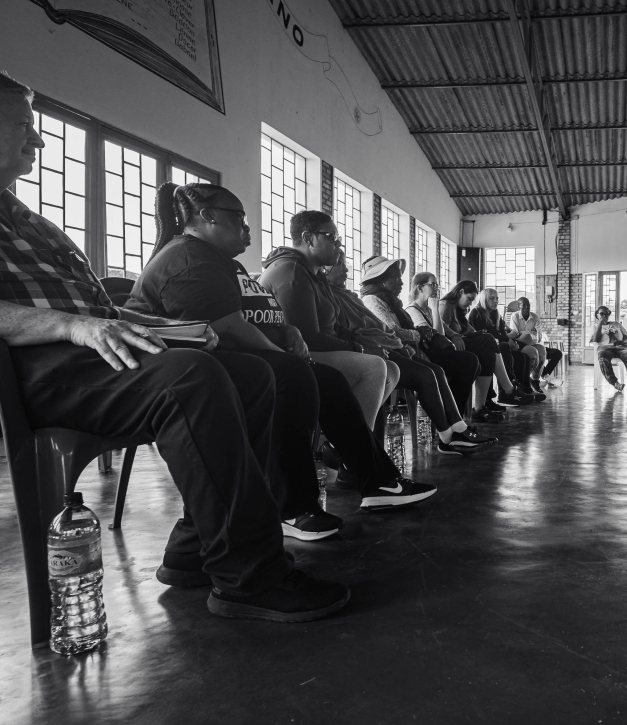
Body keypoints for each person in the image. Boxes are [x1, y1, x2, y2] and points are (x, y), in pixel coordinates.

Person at [0, 71, 347, 622]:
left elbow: (102, 310)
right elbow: (77, 321)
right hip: (37, 367)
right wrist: (71, 326)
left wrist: (171, 329)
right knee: (191, 377)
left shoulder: (31, 222)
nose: (38, 140)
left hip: (95, 354)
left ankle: (194, 547)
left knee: (250, 373)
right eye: (23, 125)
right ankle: (249, 574)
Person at [125, 182, 436, 514]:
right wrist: (284, 352)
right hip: (176, 368)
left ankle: (377, 483)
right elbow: (229, 328)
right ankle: (294, 508)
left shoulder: (225, 262)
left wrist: (286, 330)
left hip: (223, 356)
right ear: (208, 216)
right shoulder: (190, 259)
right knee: (295, 375)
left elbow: (254, 316)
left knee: (323, 379)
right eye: (240, 218)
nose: (247, 228)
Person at [271, 233, 492, 457]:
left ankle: (455, 429)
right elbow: (362, 331)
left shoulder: (358, 297)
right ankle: (444, 438)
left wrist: (399, 341)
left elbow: (378, 329)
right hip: (370, 350)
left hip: (385, 348)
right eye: (341, 264)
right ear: (381, 280)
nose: (346, 270)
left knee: (437, 369)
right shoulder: (361, 298)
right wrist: (396, 341)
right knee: (423, 373)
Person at [260, 211, 398, 431]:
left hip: (322, 349)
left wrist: (364, 342)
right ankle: (355, 446)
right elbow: (308, 338)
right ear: (308, 238)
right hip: (297, 355)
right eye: (332, 236)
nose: (338, 243)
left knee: (392, 370)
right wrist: (361, 349)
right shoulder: (292, 271)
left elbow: (334, 326)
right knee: (373, 368)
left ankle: (339, 438)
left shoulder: (314, 273)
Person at [403, 271, 493, 421]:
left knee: (475, 361)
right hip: (427, 355)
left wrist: (455, 335)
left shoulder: (427, 309)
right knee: (470, 361)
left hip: (438, 351)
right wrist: (435, 310)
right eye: (432, 285)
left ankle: (455, 414)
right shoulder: (413, 310)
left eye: (437, 285)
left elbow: (447, 331)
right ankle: (453, 416)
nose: (436, 288)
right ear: (419, 288)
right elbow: (436, 336)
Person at [438, 280, 534, 421]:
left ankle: (479, 408)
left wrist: (479, 334)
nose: (470, 303)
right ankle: (508, 389)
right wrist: (455, 335)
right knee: (490, 340)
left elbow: (470, 329)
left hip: (461, 345)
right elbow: (440, 332)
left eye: (472, 300)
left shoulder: (459, 309)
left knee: (488, 355)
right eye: (469, 299)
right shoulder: (446, 305)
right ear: (460, 292)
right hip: (451, 348)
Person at [469, 288, 544, 402]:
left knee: (522, 356)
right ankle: (507, 392)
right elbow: (487, 336)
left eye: (497, 298)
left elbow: (502, 332)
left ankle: (525, 389)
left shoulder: (495, 313)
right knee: (504, 347)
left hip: (497, 344)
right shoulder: (477, 313)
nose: (496, 301)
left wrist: (513, 342)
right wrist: (508, 341)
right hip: (483, 347)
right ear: (484, 299)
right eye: (492, 298)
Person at [509, 296, 563, 388]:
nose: (527, 307)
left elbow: (539, 336)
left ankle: (544, 375)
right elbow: (515, 335)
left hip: (535, 345)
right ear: (518, 306)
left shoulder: (535, 317)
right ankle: (542, 378)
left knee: (557, 353)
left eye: (528, 305)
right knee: (534, 355)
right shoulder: (515, 316)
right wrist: (530, 334)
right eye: (524, 305)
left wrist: (525, 335)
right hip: (521, 347)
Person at [590, 305, 627, 393]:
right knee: (602, 357)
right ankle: (615, 383)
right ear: (597, 315)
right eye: (601, 314)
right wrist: (600, 323)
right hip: (605, 348)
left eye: (606, 314)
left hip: (621, 346)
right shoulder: (595, 326)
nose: (604, 316)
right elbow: (595, 340)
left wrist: (621, 342)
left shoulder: (616, 324)